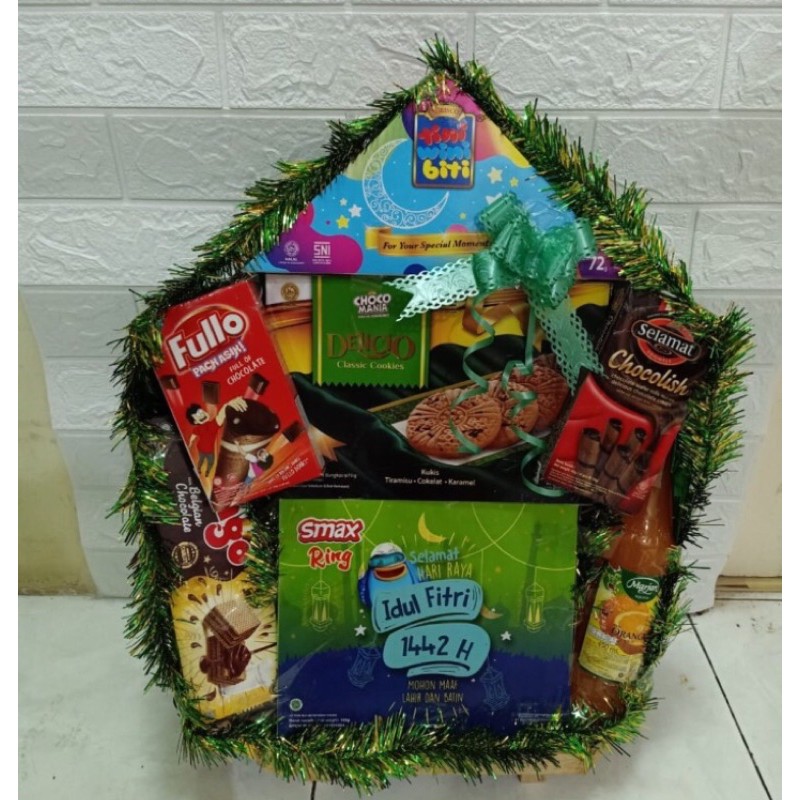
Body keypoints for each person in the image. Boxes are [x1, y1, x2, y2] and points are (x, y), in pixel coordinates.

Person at [186, 396, 247, 478]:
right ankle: (199, 469)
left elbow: (219, 417)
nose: (201, 414)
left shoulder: (212, 425)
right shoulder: (197, 429)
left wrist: (227, 406)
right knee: (201, 460)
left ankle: (207, 472)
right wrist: (190, 443)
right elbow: (193, 435)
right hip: (201, 449)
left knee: (211, 462)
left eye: (201, 412)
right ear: (195, 421)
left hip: (210, 451)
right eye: (198, 415)